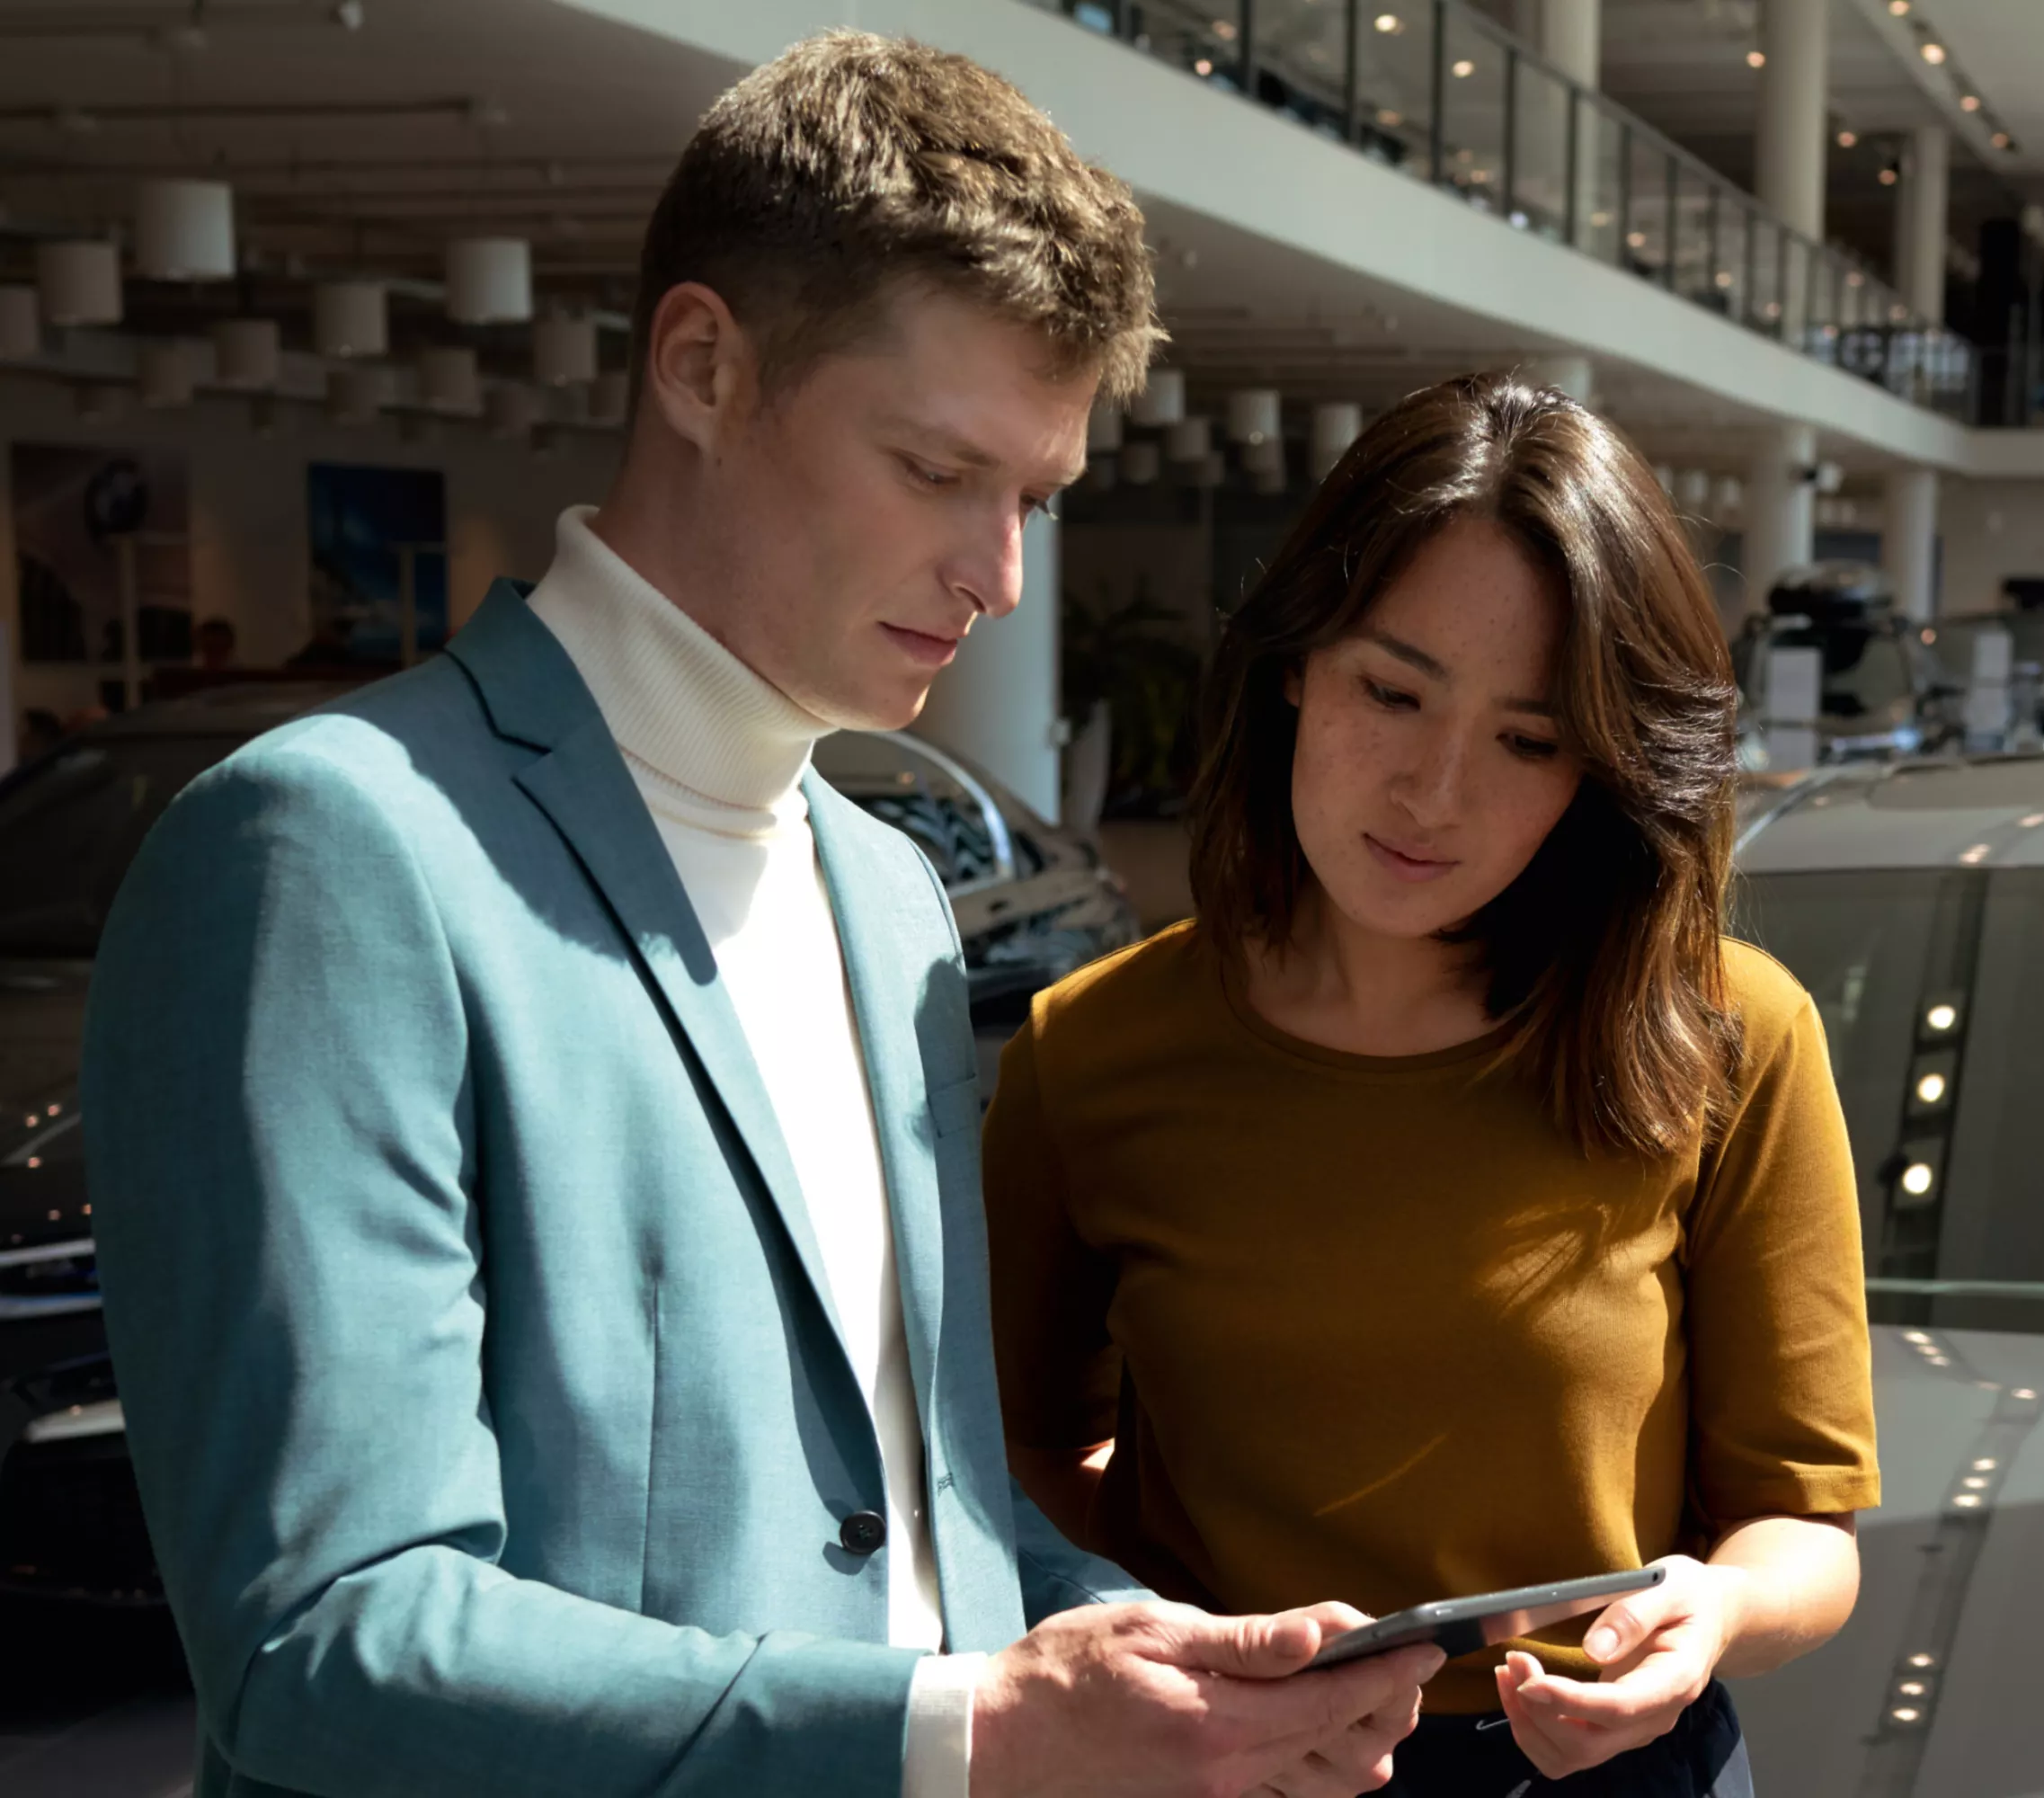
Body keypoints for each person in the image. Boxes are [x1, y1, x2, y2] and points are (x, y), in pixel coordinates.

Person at [82, 33, 1438, 1798]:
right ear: (704, 367)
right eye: (936, 470)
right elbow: (326, 1635)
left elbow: (911, 1517)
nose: (999, 574)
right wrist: (967, 1737)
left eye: (1030, 498)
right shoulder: (335, 853)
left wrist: (1129, 1658)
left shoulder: (887, 897)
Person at [984, 374, 1880, 1796]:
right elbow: (1016, 1452)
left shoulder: (1728, 1035)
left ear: (1600, 767)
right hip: (1217, 1767)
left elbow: (1803, 1532)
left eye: (1528, 740)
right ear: (1294, 664)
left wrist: (1711, 1615)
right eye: (1391, 692)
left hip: (1611, 1770)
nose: (1431, 791)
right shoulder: (1091, 1049)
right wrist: (1152, 1631)